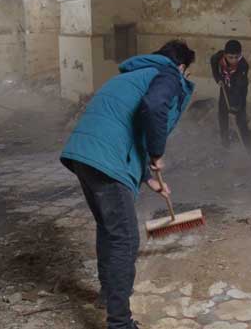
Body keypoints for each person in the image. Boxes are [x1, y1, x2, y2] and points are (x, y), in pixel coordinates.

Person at [59, 40, 195, 329]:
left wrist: (149, 179)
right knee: (125, 239)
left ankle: (108, 294)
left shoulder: (132, 76)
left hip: (84, 155)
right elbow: (154, 107)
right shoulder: (168, 74)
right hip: (105, 159)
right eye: (186, 73)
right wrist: (157, 153)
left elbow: (128, 128)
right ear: (182, 67)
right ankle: (120, 323)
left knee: (109, 229)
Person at [210, 40, 251, 152]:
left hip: (240, 92)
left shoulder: (243, 66)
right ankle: (225, 143)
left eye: (236, 57)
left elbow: (238, 89)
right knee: (222, 116)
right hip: (225, 88)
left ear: (240, 54)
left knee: (240, 120)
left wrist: (234, 108)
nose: (234, 60)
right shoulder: (218, 57)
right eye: (231, 57)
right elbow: (213, 62)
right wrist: (218, 78)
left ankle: (248, 148)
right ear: (225, 55)